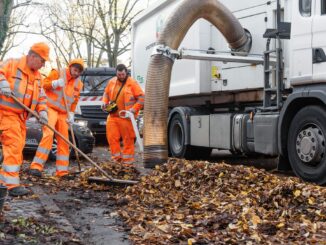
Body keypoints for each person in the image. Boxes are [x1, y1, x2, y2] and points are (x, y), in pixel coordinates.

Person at [0, 42, 49, 196]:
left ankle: (4, 180)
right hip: (6, 113)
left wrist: (43, 112)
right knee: (13, 146)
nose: (43, 65)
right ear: (33, 56)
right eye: (42, 61)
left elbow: (41, 98)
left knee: (18, 147)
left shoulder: (38, 77)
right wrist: (2, 83)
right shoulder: (12, 64)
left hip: (21, 118)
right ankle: (10, 185)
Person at [29, 59, 84, 178]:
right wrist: (55, 83)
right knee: (48, 134)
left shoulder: (79, 84)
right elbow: (44, 84)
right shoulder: (58, 72)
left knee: (64, 140)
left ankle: (62, 172)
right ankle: (36, 167)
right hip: (50, 108)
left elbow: (75, 101)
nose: (76, 73)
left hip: (64, 113)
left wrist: (72, 114)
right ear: (70, 67)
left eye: (79, 72)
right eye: (75, 70)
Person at [101, 64, 144, 164]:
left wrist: (133, 109)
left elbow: (142, 97)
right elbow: (106, 93)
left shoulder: (132, 83)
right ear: (116, 73)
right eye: (119, 74)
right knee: (112, 138)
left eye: (123, 74)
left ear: (126, 73)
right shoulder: (111, 82)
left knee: (128, 140)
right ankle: (116, 160)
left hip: (126, 117)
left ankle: (128, 162)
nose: (121, 76)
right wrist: (104, 101)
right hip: (112, 116)